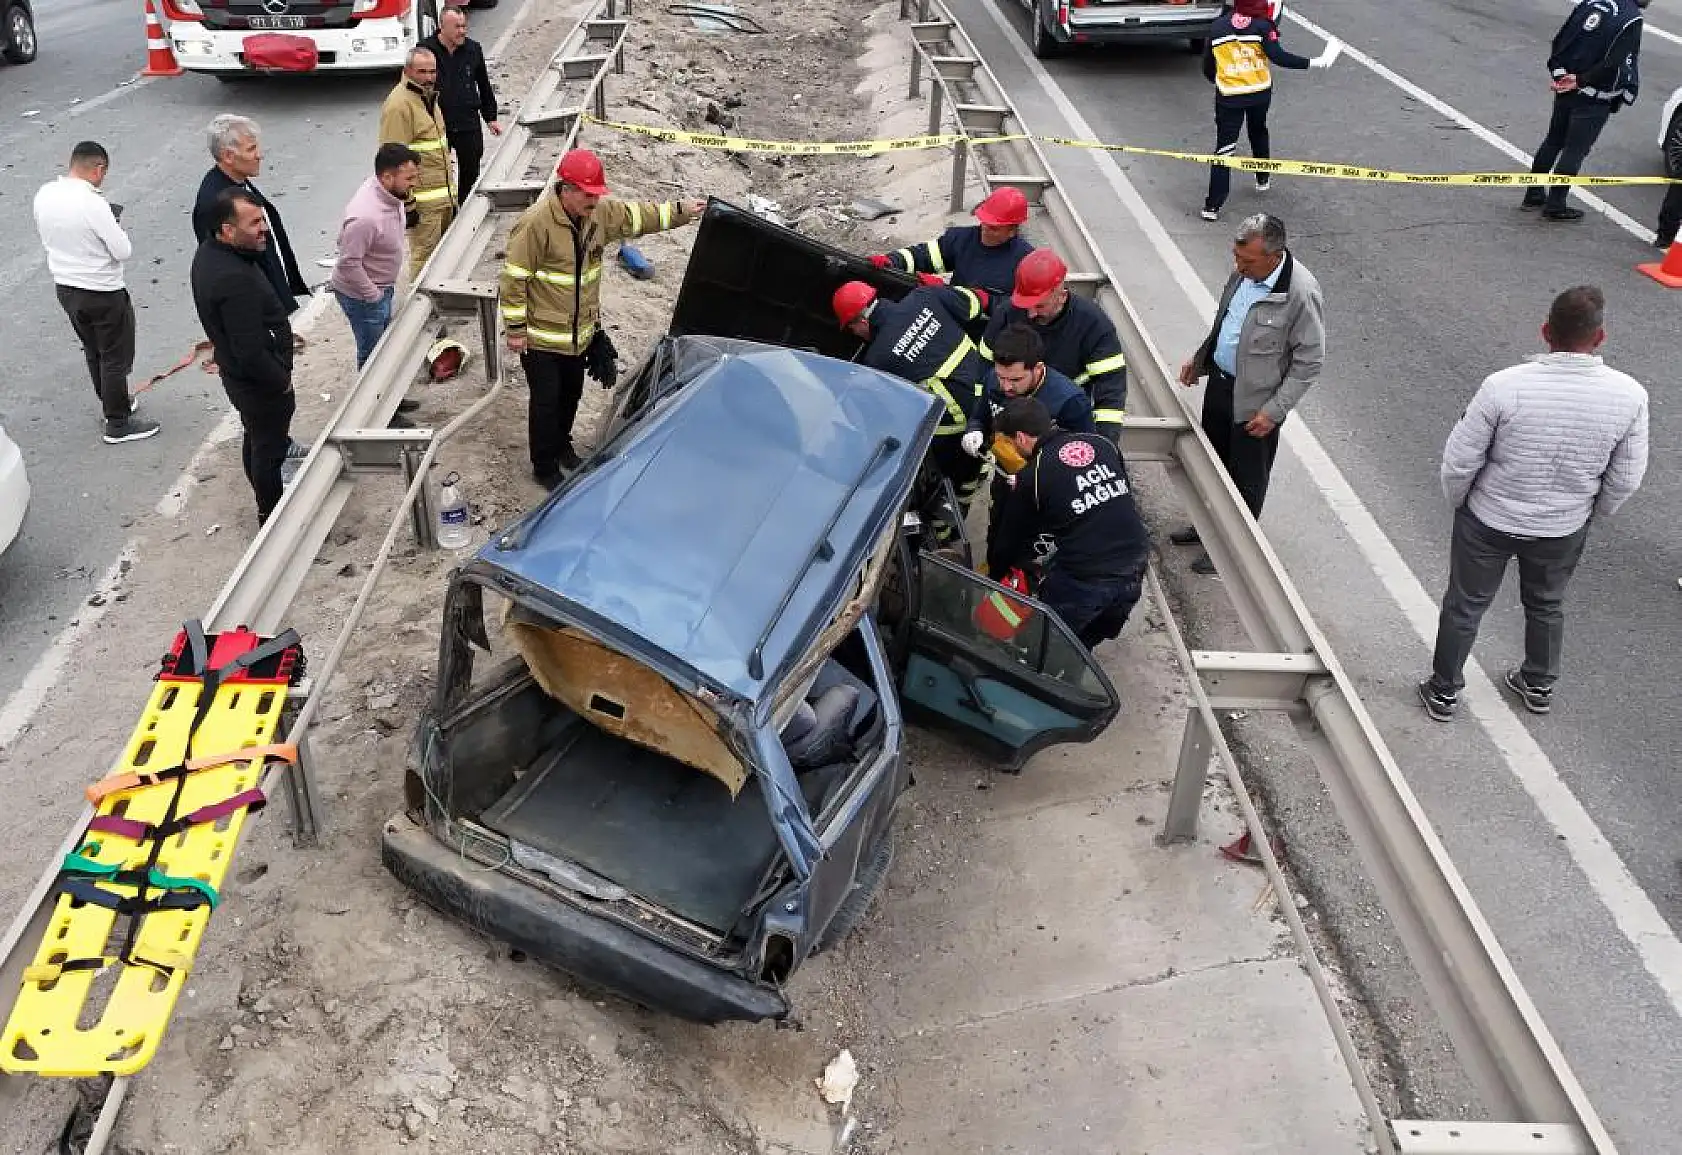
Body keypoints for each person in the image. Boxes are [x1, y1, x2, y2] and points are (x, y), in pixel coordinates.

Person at [1418, 286, 1647, 722]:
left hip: (1489, 518)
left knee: (1466, 605)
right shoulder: (1630, 396)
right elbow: (1626, 477)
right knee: (1546, 603)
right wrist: (1590, 512)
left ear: (1545, 331)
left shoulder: (1503, 387)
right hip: (1561, 526)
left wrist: (1461, 503)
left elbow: (1460, 460)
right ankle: (1538, 682)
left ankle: (1444, 690)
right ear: (1599, 338)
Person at [501, 149, 704, 486]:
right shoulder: (536, 223)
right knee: (546, 403)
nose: (594, 200)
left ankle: (562, 446)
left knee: (571, 394)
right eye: (587, 193)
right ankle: (545, 466)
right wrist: (516, 330)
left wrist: (683, 211)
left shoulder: (600, 213)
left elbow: (640, 217)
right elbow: (514, 278)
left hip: (580, 332)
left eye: (596, 194)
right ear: (566, 190)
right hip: (542, 338)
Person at [1173, 213, 1323, 575]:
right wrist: (1201, 359)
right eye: (1237, 257)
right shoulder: (1243, 272)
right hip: (1222, 386)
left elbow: (1309, 361)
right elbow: (1226, 321)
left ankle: (1233, 550)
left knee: (1245, 480)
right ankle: (1206, 529)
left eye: (1248, 261)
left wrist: (1275, 410)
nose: (1238, 266)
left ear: (1275, 255)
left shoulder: (1300, 293)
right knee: (1212, 465)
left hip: (1257, 407)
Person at [986, 397, 1150, 650]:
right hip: (1135, 560)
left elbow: (1010, 540)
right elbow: (1119, 496)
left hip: (1085, 576)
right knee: (1087, 640)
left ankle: (1043, 677)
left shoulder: (1033, 476)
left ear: (1020, 438)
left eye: (1008, 443)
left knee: (1040, 643)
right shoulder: (1101, 444)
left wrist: (996, 578)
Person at [33, 141, 159, 445]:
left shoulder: (44, 194)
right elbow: (122, 250)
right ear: (98, 168)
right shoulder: (93, 203)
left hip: (66, 288)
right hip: (101, 291)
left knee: (93, 349)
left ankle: (112, 404)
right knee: (114, 356)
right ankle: (118, 423)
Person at [833, 277, 990, 522]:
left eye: (852, 328)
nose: (855, 334)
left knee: (946, 479)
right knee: (976, 460)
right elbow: (977, 301)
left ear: (862, 321)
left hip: (955, 420)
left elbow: (894, 411)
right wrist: (944, 290)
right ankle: (974, 478)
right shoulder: (924, 296)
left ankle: (946, 528)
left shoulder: (878, 358)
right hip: (988, 389)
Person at [191, 189, 296, 525]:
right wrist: (281, 382)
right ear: (226, 230)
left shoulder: (211, 254)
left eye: (262, 219)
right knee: (270, 450)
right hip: (259, 385)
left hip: (241, 379)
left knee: (257, 439)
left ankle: (268, 505)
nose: (263, 227)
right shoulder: (233, 277)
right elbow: (251, 352)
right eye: (253, 223)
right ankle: (272, 517)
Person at [962, 322, 1093, 553]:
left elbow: (1083, 460)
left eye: (1015, 380)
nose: (1006, 387)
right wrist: (974, 430)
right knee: (998, 533)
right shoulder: (995, 378)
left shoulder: (1069, 402)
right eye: (1001, 377)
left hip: (1042, 496)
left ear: (1038, 368)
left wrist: (1036, 480)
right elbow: (981, 413)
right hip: (1005, 478)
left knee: (1027, 549)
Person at [1200, 0, 1333, 222]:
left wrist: (1221, 79)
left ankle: (1212, 206)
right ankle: (1262, 177)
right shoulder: (1263, 26)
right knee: (1258, 131)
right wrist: (1315, 62)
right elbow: (1280, 57)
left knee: (1224, 150)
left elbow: (1208, 66)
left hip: (1229, 97)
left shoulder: (1217, 28)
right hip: (1258, 93)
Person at [979, 248, 1127, 445]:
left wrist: (1102, 446)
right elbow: (984, 367)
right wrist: (980, 422)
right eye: (1026, 305)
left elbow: (1110, 397)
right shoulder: (1008, 312)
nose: (1030, 314)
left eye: (1039, 306)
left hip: (1063, 416)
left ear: (1062, 295)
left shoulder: (1094, 326)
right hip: (1012, 411)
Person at [1523, 0, 1648, 222]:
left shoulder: (1591, 2)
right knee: (1575, 150)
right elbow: (1613, 63)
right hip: (1593, 96)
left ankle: (1533, 193)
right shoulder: (1631, 18)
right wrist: (1582, 81)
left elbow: (1562, 39)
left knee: (1553, 140)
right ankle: (1556, 204)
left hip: (1567, 85)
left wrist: (1562, 75)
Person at [192, 114, 310, 315]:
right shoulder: (214, 202)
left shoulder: (237, 181)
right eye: (251, 149)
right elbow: (220, 262)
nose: (259, 155)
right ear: (228, 156)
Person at [331, 144, 421, 369]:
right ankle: (374, 402)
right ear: (387, 177)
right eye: (409, 178)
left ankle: (388, 397)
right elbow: (348, 263)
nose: (414, 183)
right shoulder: (365, 217)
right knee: (372, 355)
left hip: (380, 287)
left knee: (384, 347)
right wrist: (373, 296)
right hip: (363, 296)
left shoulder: (390, 194)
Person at [868, 187, 1035, 300]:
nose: (984, 230)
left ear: (1012, 230)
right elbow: (923, 256)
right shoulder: (962, 239)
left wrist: (948, 292)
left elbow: (1009, 311)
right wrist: (893, 260)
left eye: (993, 228)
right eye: (983, 221)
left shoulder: (1026, 263)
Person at [381, 47, 455, 279]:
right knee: (425, 260)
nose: (428, 77)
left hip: (444, 199)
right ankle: (422, 312)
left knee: (445, 257)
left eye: (432, 71)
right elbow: (391, 161)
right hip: (423, 206)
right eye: (421, 71)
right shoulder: (399, 105)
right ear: (407, 71)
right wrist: (407, 204)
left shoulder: (428, 97)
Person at [421, 6, 501, 198]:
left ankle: (464, 206)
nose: (462, 31)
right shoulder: (425, 51)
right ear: (442, 27)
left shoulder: (473, 50)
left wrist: (491, 117)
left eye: (464, 26)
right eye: (457, 27)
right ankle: (447, 207)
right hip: (439, 124)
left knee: (471, 169)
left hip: (468, 121)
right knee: (440, 172)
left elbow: (483, 84)